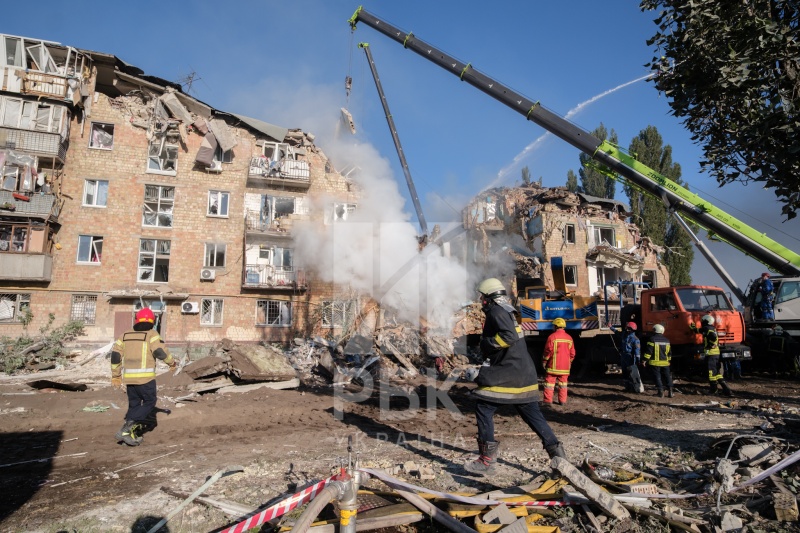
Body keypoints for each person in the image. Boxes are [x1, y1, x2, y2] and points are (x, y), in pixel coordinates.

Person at [464, 278, 566, 475]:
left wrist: (487, 345)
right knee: (533, 416)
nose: (481, 301)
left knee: (483, 406)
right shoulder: (508, 310)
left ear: (489, 297)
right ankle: (559, 456)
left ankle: (486, 461)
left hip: (508, 375)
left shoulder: (496, 311)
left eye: (483, 297)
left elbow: (508, 337)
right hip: (524, 375)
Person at [111, 308, 176, 446]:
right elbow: (160, 352)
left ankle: (130, 435)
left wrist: (116, 376)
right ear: (152, 321)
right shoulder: (152, 335)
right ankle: (126, 429)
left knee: (134, 405)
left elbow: (115, 356)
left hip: (129, 380)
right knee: (149, 403)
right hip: (145, 379)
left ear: (136, 320)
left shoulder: (124, 335)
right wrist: (172, 363)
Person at [690, 314, 733, 397]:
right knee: (717, 372)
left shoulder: (707, 328)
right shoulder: (712, 328)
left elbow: (710, 336)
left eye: (703, 321)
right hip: (716, 354)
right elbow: (701, 331)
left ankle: (714, 390)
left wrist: (711, 344)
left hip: (711, 354)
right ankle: (726, 389)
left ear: (706, 321)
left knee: (711, 373)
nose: (702, 322)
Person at [542, 318, 576, 405]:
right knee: (563, 384)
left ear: (556, 326)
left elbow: (548, 351)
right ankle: (562, 401)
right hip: (565, 367)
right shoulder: (569, 338)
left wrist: (544, 361)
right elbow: (572, 353)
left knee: (549, 384)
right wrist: (570, 362)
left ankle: (548, 401)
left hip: (553, 366)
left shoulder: (552, 337)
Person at [610, 321, 643, 393]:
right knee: (624, 371)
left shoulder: (635, 339)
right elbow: (616, 332)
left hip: (630, 357)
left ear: (631, 329)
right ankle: (627, 387)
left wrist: (638, 360)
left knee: (631, 372)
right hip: (624, 355)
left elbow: (637, 351)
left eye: (627, 328)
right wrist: (610, 327)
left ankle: (634, 388)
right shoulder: (624, 335)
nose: (626, 329)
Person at [643, 324, 673, 397]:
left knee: (657, 377)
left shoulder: (652, 339)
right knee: (667, 376)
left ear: (654, 330)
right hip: (665, 363)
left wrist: (644, 360)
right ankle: (671, 392)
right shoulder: (667, 340)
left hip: (655, 363)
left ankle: (660, 392)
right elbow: (669, 353)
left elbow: (649, 352)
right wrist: (669, 361)